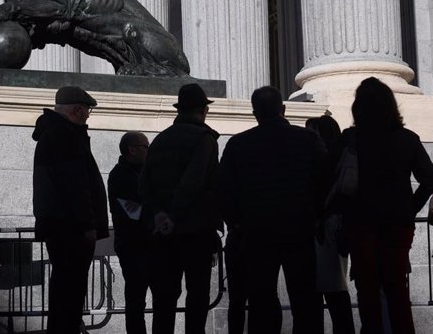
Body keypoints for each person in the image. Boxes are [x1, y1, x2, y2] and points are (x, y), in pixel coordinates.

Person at [219, 85, 326, 334]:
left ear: (254, 113)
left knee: (261, 300)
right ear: (283, 109)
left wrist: (236, 222)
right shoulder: (307, 139)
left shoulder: (238, 144)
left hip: (256, 232)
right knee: (305, 299)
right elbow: (324, 180)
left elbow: (223, 189)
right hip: (299, 229)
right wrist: (317, 216)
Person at [341, 77, 433, 334]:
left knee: (367, 290)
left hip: (361, 222)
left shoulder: (350, 138)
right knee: (396, 290)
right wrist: (410, 207)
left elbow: (335, 179)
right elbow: (430, 179)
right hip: (397, 222)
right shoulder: (407, 138)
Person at [139, 83, 222, 334]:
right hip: (195, 229)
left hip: (162, 232)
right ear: (203, 110)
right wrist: (173, 216)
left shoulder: (160, 140)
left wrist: (159, 215)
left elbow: (144, 184)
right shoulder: (205, 139)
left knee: (164, 297)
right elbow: (193, 182)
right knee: (197, 295)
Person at [32, 86, 109, 334]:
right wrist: (87, 225)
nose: (88, 116)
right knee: (71, 291)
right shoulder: (65, 135)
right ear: (77, 110)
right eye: (87, 110)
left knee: (63, 289)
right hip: (70, 228)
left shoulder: (54, 133)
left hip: (60, 225)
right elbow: (75, 184)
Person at [305, 115, 355, 334]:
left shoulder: (330, 164)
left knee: (333, 291)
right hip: (324, 230)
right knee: (332, 290)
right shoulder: (332, 161)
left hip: (326, 230)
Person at [108, 132, 152, 334]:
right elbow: (131, 210)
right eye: (145, 146)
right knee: (136, 299)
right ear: (132, 149)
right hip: (133, 245)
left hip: (146, 243)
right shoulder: (120, 175)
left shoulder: (144, 172)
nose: (148, 150)